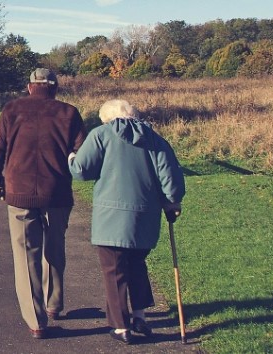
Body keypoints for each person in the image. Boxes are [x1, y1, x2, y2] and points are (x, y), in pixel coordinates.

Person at [68, 99, 186, 345]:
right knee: (137, 264)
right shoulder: (155, 139)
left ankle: (121, 326)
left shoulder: (101, 135)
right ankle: (140, 316)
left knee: (114, 270)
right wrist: (172, 202)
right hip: (145, 217)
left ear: (107, 118)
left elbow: (81, 170)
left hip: (110, 218)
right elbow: (171, 179)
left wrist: (71, 158)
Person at [0, 68, 87, 339]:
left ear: (29, 87)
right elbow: (82, 152)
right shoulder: (69, 113)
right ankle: (54, 304)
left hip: (19, 193)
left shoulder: (12, 110)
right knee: (55, 248)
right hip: (57, 194)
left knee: (26, 257)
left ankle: (36, 321)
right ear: (54, 87)